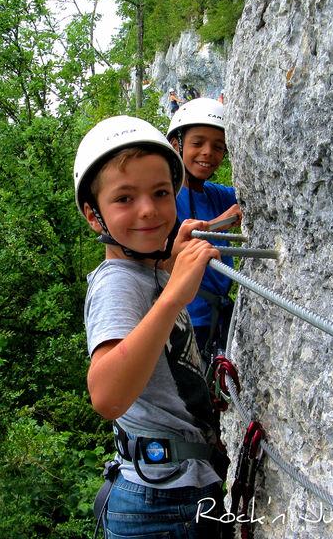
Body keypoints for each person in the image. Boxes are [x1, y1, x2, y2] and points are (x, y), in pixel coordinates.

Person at [74, 115, 228, 538]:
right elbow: (106, 396)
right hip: (161, 506)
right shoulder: (115, 284)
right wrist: (176, 292)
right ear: (94, 215)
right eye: (124, 199)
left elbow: (151, 281)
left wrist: (170, 260)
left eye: (161, 193)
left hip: (178, 489)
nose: (148, 209)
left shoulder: (145, 271)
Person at [167, 98, 242, 364]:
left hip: (222, 313)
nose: (208, 152)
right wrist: (217, 224)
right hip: (188, 319)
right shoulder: (165, 199)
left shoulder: (217, 195)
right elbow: (167, 253)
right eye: (197, 143)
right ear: (176, 145)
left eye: (218, 147)